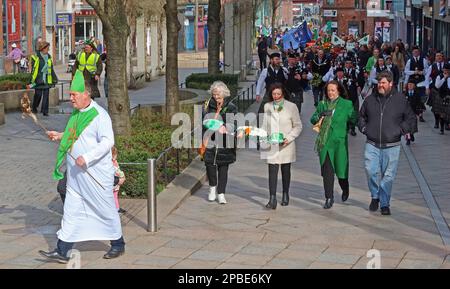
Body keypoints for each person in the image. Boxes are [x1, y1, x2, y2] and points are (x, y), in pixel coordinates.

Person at [39, 70, 125, 263]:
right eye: (70, 94)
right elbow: (75, 134)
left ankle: (118, 244)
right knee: (71, 210)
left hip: (95, 175)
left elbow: (107, 142)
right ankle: (62, 250)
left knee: (105, 209)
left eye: (74, 95)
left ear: (86, 94)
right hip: (77, 176)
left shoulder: (99, 116)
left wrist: (86, 157)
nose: (71, 98)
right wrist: (60, 135)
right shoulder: (78, 114)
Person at [358, 71, 417, 215]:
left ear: (391, 84)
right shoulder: (370, 99)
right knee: (370, 170)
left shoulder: (400, 100)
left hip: (392, 145)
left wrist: (400, 130)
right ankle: (375, 195)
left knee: (388, 176)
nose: (380, 85)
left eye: (383, 83)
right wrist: (364, 128)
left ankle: (384, 203)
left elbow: (411, 119)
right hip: (372, 143)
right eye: (379, 83)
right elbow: (361, 116)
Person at [310, 81, 357, 209]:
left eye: (333, 90)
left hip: (339, 143)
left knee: (341, 171)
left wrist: (348, 127)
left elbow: (353, 118)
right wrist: (320, 115)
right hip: (325, 142)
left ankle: (345, 187)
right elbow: (312, 119)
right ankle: (329, 197)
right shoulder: (322, 104)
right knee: (327, 172)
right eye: (328, 90)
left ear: (339, 91)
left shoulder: (346, 104)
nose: (330, 93)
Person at [262, 83, 302, 209]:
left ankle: (285, 193)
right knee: (272, 171)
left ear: (283, 94)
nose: (276, 96)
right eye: (274, 94)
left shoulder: (291, 107)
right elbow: (264, 125)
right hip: (272, 144)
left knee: (285, 170)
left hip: (286, 144)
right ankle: (272, 198)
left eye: (278, 94)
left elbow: (298, 125)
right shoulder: (267, 106)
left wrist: (289, 138)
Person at [202, 81, 238, 205]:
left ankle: (221, 193)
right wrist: (215, 125)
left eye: (219, 95)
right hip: (210, 139)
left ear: (224, 95)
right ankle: (212, 187)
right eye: (214, 94)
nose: (216, 97)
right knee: (210, 165)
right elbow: (205, 120)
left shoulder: (231, 107)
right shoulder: (207, 105)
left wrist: (226, 127)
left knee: (223, 168)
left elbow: (233, 123)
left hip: (225, 141)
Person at [30, 41, 58, 116]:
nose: (48, 50)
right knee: (38, 95)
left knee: (46, 95)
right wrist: (31, 80)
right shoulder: (35, 57)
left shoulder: (49, 57)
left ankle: (45, 111)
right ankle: (34, 107)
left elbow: (51, 69)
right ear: (43, 48)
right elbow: (33, 70)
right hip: (38, 79)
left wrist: (54, 78)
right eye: (47, 48)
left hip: (47, 79)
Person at [405, 80, 423, 145]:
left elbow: (419, 103)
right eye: (409, 84)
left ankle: (411, 134)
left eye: (411, 84)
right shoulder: (404, 93)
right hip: (406, 113)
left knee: (412, 126)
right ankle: (408, 139)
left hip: (413, 112)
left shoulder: (417, 94)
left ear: (414, 86)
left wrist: (419, 112)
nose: (410, 86)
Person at [433, 63, 450, 135]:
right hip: (441, 96)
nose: (446, 71)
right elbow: (437, 86)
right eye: (445, 70)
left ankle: (447, 124)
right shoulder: (439, 76)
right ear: (443, 70)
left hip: (449, 96)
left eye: (448, 70)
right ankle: (442, 129)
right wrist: (444, 78)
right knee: (442, 114)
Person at [111, 146, 126, 214]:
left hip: (116, 182)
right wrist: (122, 175)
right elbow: (117, 170)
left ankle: (116, 208)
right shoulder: (111, 163)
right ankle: (115, 209)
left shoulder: (114, 162)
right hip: (114, 182)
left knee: (115, 196)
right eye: (115, 154)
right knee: (113, 196)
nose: (116, 156)